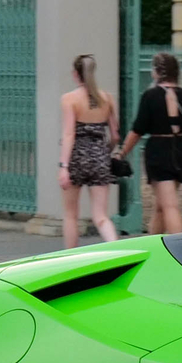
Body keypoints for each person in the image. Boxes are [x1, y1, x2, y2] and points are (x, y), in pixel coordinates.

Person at [118, 51, 182, 236]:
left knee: (170, 206)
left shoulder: (150, 96)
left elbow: (137, 130)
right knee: (161, 206)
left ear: (157, 71)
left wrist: (122, 153)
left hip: (159, 151)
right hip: (180, 150)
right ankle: (152, 246)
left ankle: (180, 252)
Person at [57, 52, 121, 248]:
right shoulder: (107, 98)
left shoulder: (69, 99)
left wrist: (63, 166)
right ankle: (116, 248)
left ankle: (70, 259)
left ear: (75, 74)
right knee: (100, 215)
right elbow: (116, 135)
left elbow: (69, 135)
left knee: (70, 214)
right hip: (100, 157)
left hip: (77, 157)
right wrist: (104, 151)